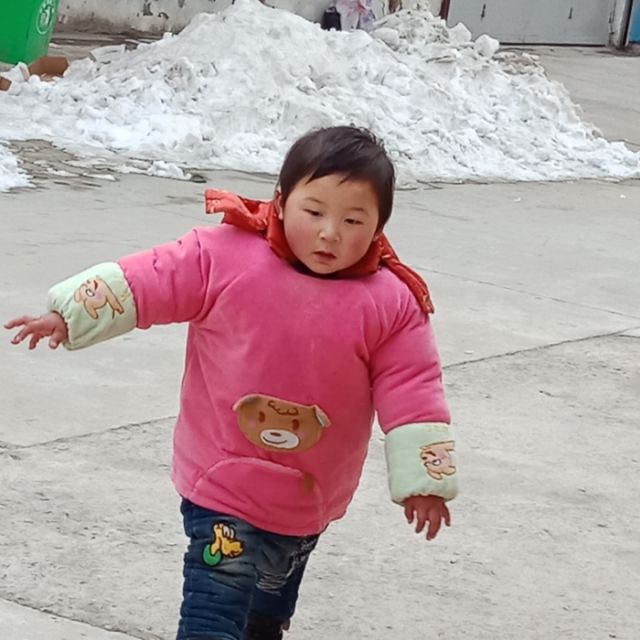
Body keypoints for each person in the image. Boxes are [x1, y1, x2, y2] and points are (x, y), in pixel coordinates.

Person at [5, 126, 458, 640]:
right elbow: (150, 278)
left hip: (308, 495)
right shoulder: (223, 257)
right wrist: (69, 315)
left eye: (353, 220)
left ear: (378, 227)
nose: (330, 233)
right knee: (215, 612)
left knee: (266, 609)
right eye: (314, 212)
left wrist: (425, 481)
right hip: (221, 480)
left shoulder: (391, 303)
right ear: (281, 202)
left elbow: (413, 387)